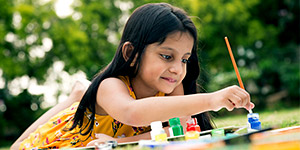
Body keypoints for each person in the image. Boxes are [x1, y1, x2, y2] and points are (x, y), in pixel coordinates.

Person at [11, 3, 253, 149]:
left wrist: (121, 144)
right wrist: (214, 99)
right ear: (132, 53)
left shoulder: (170, 87)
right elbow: (133, 113)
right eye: (167, 56)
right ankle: (78, 94)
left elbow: (177, 129)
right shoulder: (110, 85)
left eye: (184, 59)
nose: (178, 70)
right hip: (58, 143)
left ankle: (79, 92)